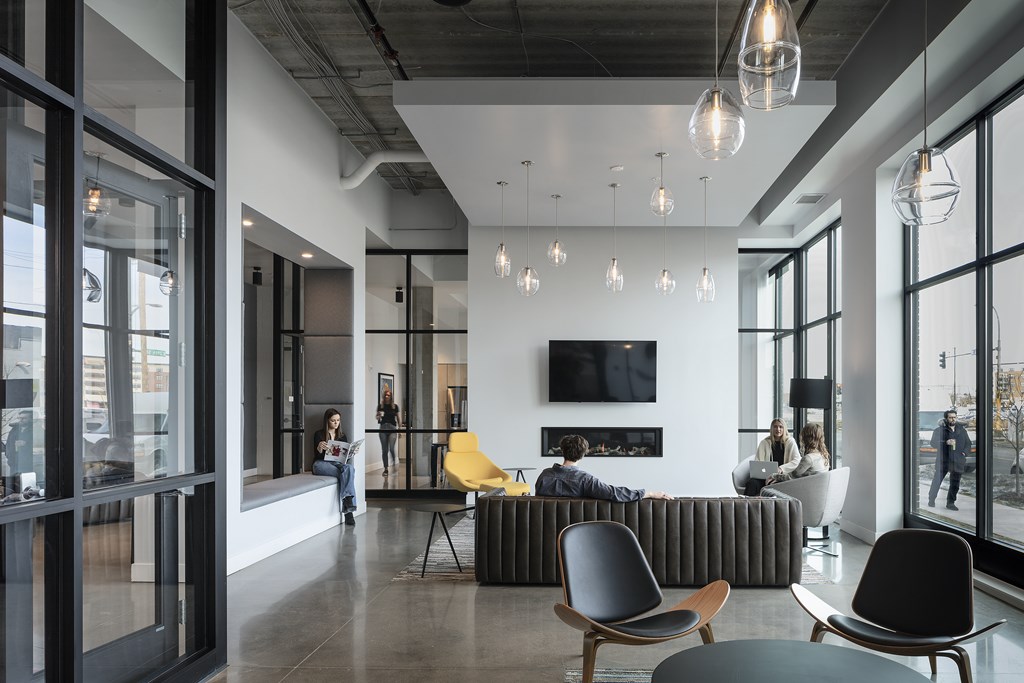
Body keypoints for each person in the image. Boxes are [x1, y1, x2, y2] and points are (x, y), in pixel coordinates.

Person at [534, 434, 673, 501]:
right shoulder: (585, 480)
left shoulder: (544, 476)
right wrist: (649, 493)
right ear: (583, 454)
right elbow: (614, 493)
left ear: (562, 451)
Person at [312, 408, 357, 525]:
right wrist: (319, 448)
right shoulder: (319, 434)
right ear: (327, 421)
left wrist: (351, 453)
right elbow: (317, 456)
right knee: (348, 473)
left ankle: (348, 506)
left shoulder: (342, 436)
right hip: (320, 464)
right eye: (333, 421)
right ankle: (349, 511)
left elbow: (344, 459)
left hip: (337, 464)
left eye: (338, 420)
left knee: (349, 469)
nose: (336, 423)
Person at [928, 409, 971, 511]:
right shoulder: (939, 430)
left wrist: (964, 453)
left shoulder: (962, 430)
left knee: (955, 484)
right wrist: (945, 442)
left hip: (957, 460)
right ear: (946, 418)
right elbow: (933, 443)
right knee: (937, 481)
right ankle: (931, 499)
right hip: (944, 460)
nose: (953, 419)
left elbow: (968, 444)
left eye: (954, 417)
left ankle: (950, 503)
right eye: (950, 417)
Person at [746, 418, 801, 495]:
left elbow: (797, 461)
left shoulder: (790, 442)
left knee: (773, 484)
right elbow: (758, 462)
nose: (778, 429)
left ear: (784, 428)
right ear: (772, 429)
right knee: (751, 483)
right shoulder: (764, 443)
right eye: (775, 427)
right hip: (765, 476)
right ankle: (745, 505)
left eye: (780, 427)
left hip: (782, 477)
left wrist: (781, 469)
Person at [765, 422, 830, 485]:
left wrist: (774, 476)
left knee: (770, 484)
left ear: (805, 437)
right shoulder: (823, 455)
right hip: (816, 489)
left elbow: (791, 477)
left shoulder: (808, 458)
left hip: (805, 491)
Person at [375, 388, 401, 476]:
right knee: (384, 450)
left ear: (391, 396)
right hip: (383, 428)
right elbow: (377, 418)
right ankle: (386, 469)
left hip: (392, 428)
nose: (387, 396)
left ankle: (394, 463)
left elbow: (398, 418)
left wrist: (400, 429)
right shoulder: (380, 406)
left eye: (389, 395)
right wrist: (378, 416)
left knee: (391, 448)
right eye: (386, 395)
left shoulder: (394, 406)